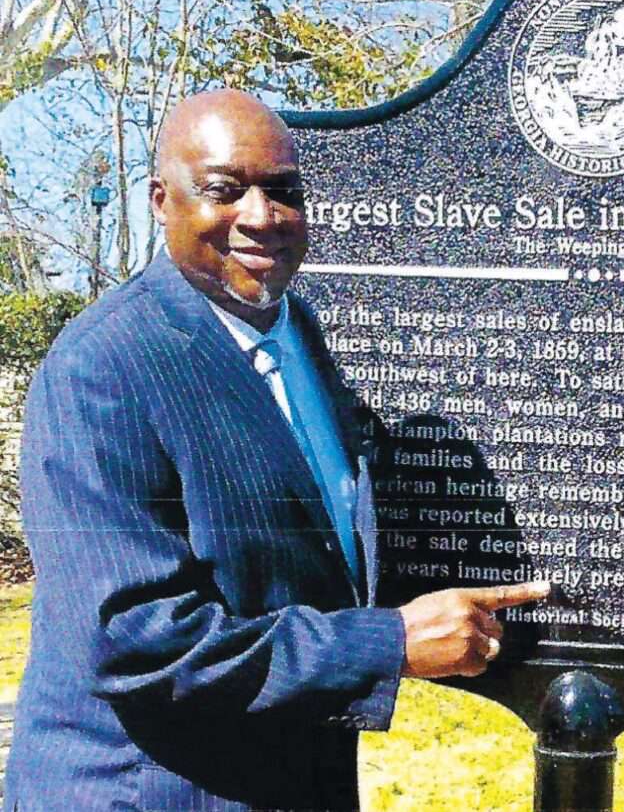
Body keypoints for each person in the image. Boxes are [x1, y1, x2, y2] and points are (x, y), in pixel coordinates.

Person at [5, 90, 549, 811]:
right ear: (162, 200)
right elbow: (136, 640)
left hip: (293, 775)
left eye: (283, 190)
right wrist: (388, 642)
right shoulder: (101, 368)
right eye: (225, 189)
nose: (261, 215)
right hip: (154, 790)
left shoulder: (296, 330)